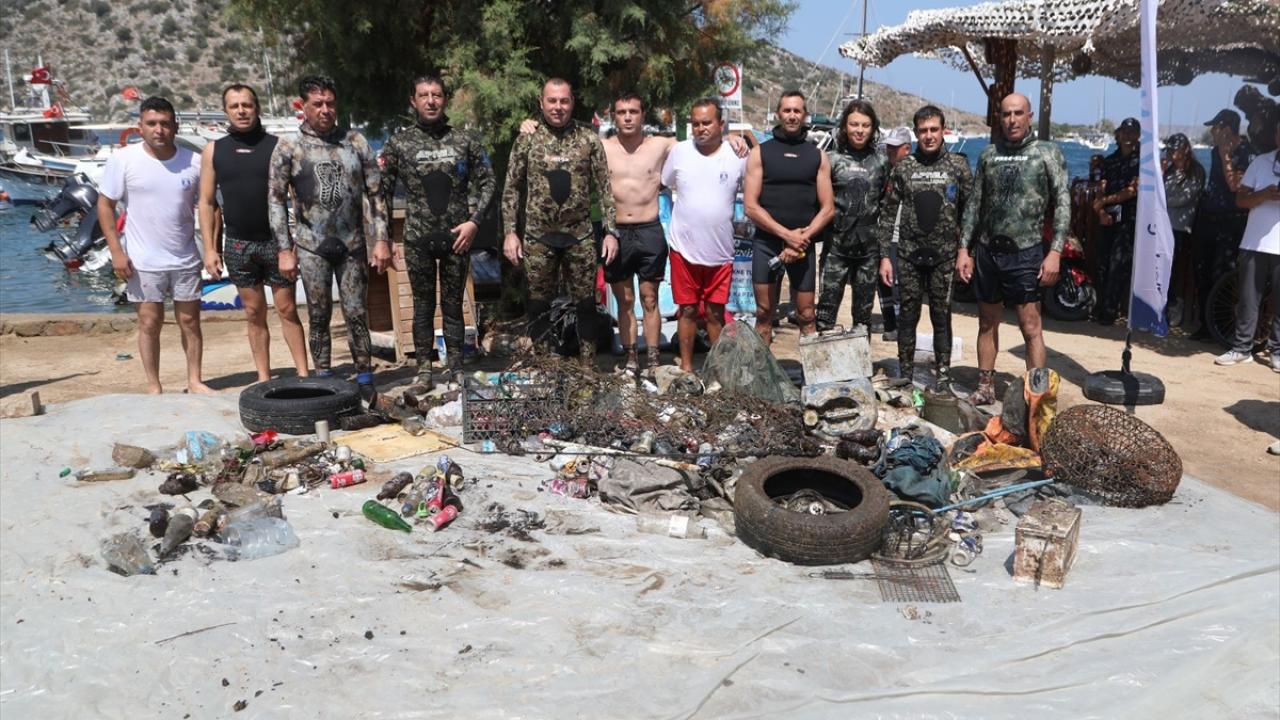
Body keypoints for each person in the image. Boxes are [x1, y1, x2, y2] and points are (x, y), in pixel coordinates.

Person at [268, 75, 389, 400]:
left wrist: (381, 239)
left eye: (330, 103)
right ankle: (323, 377)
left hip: (352, 244)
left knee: (356, 312)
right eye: (317, 104)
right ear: (303, 106)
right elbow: (275, 200)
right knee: (318, 315)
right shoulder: (289, 147)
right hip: (312, 246)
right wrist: (284, 249)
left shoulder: (355, 142)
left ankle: (365, 378)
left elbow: (377, 193)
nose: (325, 110)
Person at [381, 75, 495, 390]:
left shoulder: (465, 140)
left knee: (453, 305)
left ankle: (456, 370)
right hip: (417, 238)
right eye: (424, 95)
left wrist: (475, 222)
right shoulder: (399, 143)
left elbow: (489, 181)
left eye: (437, 95)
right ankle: (424, 372)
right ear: (413, 101)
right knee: (422, 306)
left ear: (445, 99)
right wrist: (385, 237)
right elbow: (381, 192)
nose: (431, 101)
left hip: (457, 237)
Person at [96, 96, 212, 395]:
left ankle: (194, 380)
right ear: (140, 126)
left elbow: (209, 205)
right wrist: (116, 251)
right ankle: (153, 385)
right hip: (142, 259)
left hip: (185, 257)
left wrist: (212, 248)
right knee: (149, 322)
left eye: (164, 123)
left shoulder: (195, 161)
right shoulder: (123, 160)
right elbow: (105, 205)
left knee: (190, 321)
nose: (158, 130)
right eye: (151, 123)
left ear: (175, 126)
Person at [958, 92, 1069, 404]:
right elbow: (974, 204)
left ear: (1029, 117)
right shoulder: (989, 154)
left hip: (1026, 250)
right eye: (1006, 114)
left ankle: (1037, 396)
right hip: (988, 250)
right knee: (986, 322)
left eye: (1018, 113)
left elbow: (1063, 202)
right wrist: (964, 249)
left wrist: (1055, 251)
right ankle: (984, 387)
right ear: (1000, 118)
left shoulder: (1047, 152)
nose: (1012, 120)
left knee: (1030, 326)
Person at [502, 78, 618, 368]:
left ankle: (587, 369)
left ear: (572, 103)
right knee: (538, 305)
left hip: (580, 236)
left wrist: (610, 232)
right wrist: (510, 233)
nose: (558, 107)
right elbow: (512, 188)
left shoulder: (588, 139)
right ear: (541, 103)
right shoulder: (527, 139)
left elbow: (605, 188)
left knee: (586, 304)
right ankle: (544, 367)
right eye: (552, 101)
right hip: (538, 238)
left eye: (564, 101)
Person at [199, 84, 309, 384]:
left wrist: (296, 242)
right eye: (234, 106)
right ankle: (263, 378)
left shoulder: (278, 146)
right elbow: (206, 203)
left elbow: (297, 198)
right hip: (238, 244)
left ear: (257, 108)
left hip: (276, 242)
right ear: (226, 111)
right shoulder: (214, 151)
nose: (241, 111)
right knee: (253, 312)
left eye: (246, 105)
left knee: (287, 309)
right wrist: (210, 249)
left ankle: (303, 374)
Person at [879, 105, 972, 387]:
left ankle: (943, 377)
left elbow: (970, 213)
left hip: (945, 256)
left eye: (934, 129)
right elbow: (887, 213)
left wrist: (965, 251)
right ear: (916, 133)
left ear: (943, 131)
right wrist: (885, 257)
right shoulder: (904, 167)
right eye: (923, 131)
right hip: (909, 255)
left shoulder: (958, 166)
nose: (929, 136)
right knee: (908, 316)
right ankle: (905, 376)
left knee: (941, 316)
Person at [661, 97, 747, 372]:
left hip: (721, 252)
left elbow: (754, 181)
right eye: (696, 123)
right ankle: (687, 368)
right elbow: (666, 182)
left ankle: (717, 371)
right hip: (683, 249)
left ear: (721, 124)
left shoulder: (738, 155)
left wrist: (742, 139)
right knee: (686, 310)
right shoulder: (680, 152)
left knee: (714, 312)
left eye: (707, 122)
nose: (701, 128)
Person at [744, 90, 835, 345]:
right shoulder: (759, 153)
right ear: (778, 114)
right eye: (787, 110)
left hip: (804, 245)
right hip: (767, 243)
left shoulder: (817, 156)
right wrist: (787, 236)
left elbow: (828, 208)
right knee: (764, 313)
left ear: (805, 115)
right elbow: (750, 206)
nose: (792, 116)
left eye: (797, 111)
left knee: (807, 315)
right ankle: (763, 370)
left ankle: (812, 370)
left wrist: (801, 239)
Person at [816, 98, 889, 333]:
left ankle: (860, 356)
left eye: (865, 125)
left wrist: (885, 254)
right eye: (854, 124)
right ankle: (824, 356)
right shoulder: (831, 159)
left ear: (873, 128)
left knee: (862, 320)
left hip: (868, 252)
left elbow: (887, 208)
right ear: (845, 127)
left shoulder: (882, 161)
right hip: (835, 249)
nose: (859, 130)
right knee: (825, 316)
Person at [1215, 122, 1279, 370]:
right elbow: (1241, 199)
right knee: (1247, 300)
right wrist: (1263, 195)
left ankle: (1277, 351)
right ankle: (1242, 349)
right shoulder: (1261, 162)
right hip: (1254, 242)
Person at [1191, 108, 1256, 341]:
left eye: (1215, 127)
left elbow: (1235, 186)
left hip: (1231, 221)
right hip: (1209, 218)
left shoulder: (1246, 152)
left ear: (1226, 129)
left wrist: (1226, 156)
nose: (1212, 132)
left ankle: (1222, 328)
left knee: (1223, 271)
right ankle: (1205, 325)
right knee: (1202, 270)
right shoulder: (1214, 150)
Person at [1091, 117, 1140, 326]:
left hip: (1128, 219)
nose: (1127, 136)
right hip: (1108, 217)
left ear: (1138, 135)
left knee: (1118, 265)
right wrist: (1101, 210)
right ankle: (1100, 306)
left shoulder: (1142, 161)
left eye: (1132, 132)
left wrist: (1104, 201)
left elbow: (1132, 190)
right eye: (1124, 132)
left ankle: (1110, 310)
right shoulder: (1110, 160)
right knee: (1102, 263)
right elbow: (1101, 187)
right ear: (1118, 134)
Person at [1161, 133, 1205, 327]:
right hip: (1162, 225)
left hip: (1180, 228)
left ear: (1185, 149)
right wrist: (1160, 173)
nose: (1171, 153)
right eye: (1169, 149)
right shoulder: (1168, 170)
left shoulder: (1196, 171)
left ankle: (1174, 305)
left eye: (1175, 149)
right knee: (1160, 269)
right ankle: (1159, 307)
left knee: (1174, 270)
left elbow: (1184, 198)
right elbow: (1156, 190)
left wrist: (1161, 200)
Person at [877, 126, 913, 342]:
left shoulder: (913, 172)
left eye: (894, 148)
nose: (889, 151)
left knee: (897, 284)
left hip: (902, 238)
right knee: (883, 283)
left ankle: (901, 326)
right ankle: (890, 324)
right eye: (888, 147)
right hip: (885, 235)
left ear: (906, 149)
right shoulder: (885, 171)